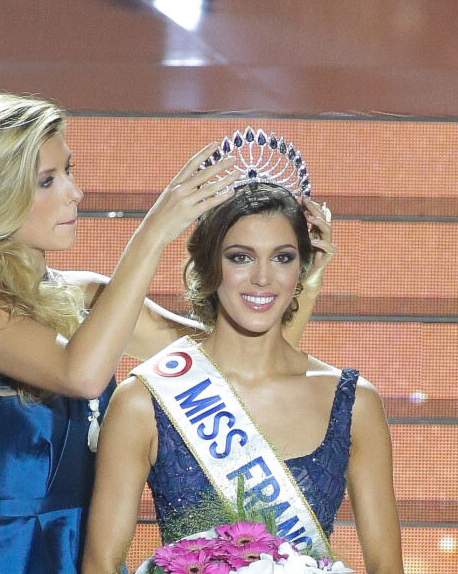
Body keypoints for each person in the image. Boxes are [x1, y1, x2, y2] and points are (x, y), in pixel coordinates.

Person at [0, 100, 330, 574]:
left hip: (87, 554)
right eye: (48, 180)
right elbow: (82, 373)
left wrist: (302, 283)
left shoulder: (85, 296)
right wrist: (152, 233)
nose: (76, 191)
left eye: (68, 169)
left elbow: (235, 369)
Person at [82, 131, 404, 573]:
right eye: (240, 257)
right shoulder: (144, 402)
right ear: (208, 265)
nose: (262, 278)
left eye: (283, 257)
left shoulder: (353, 403)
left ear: (304, 266)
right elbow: (100, 563)